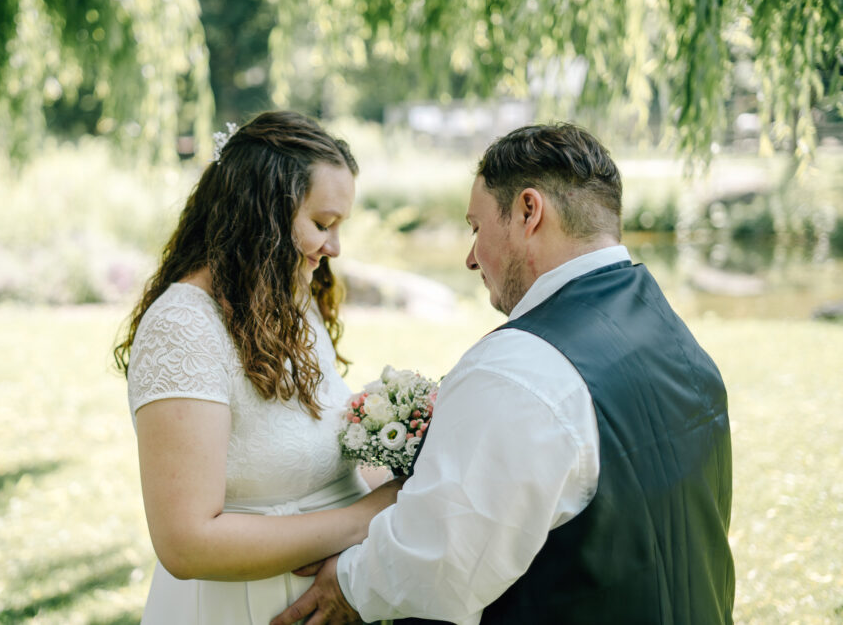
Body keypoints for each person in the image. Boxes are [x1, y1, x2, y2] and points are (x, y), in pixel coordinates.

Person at [272, 123, 734, 625]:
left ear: (528, 212)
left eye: (476, 227)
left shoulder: (521, 365)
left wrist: (349, 584)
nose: (470, 258)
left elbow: (443, 561)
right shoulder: (677, 340)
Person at [113, 111, 402, 624]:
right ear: (264, 212)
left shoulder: (289, 302)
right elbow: (186, 542)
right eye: (321, 224)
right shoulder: (183, 327)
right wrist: (363, 518)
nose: (333, 247)